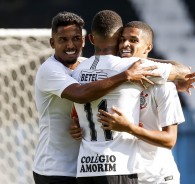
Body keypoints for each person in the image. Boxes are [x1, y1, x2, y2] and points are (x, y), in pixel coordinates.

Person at [32, 11, 163, 184]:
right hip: (54, 169)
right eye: (63, 39)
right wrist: (126, 75)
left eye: (76, 38)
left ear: (86, 40)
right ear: (52, 42)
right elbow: (80, 94)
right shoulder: (50, 70)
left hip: (82, 167)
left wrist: (144, 61)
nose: (71, 45)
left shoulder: (84, 67)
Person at [71, 10, 195, 184]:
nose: (125, 45)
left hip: (158, 177)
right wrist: (77, 124)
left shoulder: (164, 86)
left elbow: (169, 140)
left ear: (148, 47)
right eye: (122, 39)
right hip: (128, 171)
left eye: (133, 40)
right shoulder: (117, 75)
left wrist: (129, 128)